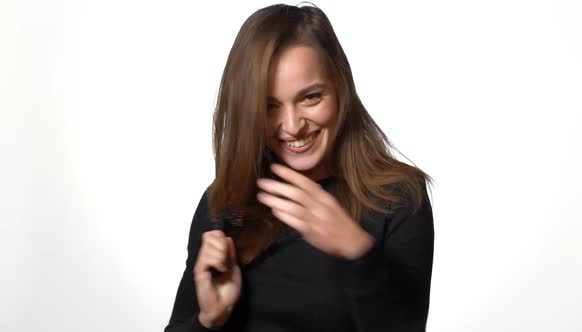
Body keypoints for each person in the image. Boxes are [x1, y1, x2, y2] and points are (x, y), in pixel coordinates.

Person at [164, 3, 435, 331]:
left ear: (340, 89)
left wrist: (357, 253)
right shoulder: (227, 201)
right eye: (270, 106)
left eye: (310, 97)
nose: (292, 126)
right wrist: (209, 320)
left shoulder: (398, 198)